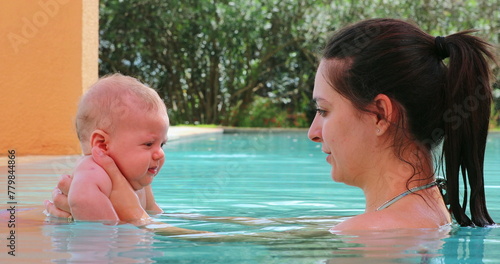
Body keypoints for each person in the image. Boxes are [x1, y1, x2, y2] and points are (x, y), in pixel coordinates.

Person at [46, 18, 496, 231]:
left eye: (323, 110)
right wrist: (146, 209)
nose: (312, 131)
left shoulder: (378, 233)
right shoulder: (420, 211)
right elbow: (275, 228)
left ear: (380, 114)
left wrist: (132, 221)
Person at [46, 73, 167, 222]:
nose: (160, 153)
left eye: (162, 144)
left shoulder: (139, 179)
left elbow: (154, 213)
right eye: (148, 144)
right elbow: (82, 199)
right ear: (102, 144)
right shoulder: (93, 172)